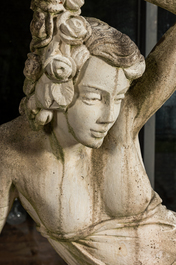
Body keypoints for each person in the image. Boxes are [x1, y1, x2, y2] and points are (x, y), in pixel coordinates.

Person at [1, 0, 176, 264]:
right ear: (58, 87)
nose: (108, 117)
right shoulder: (12, 150)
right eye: (94, 98)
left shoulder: (124, 119)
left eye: (117, 98)